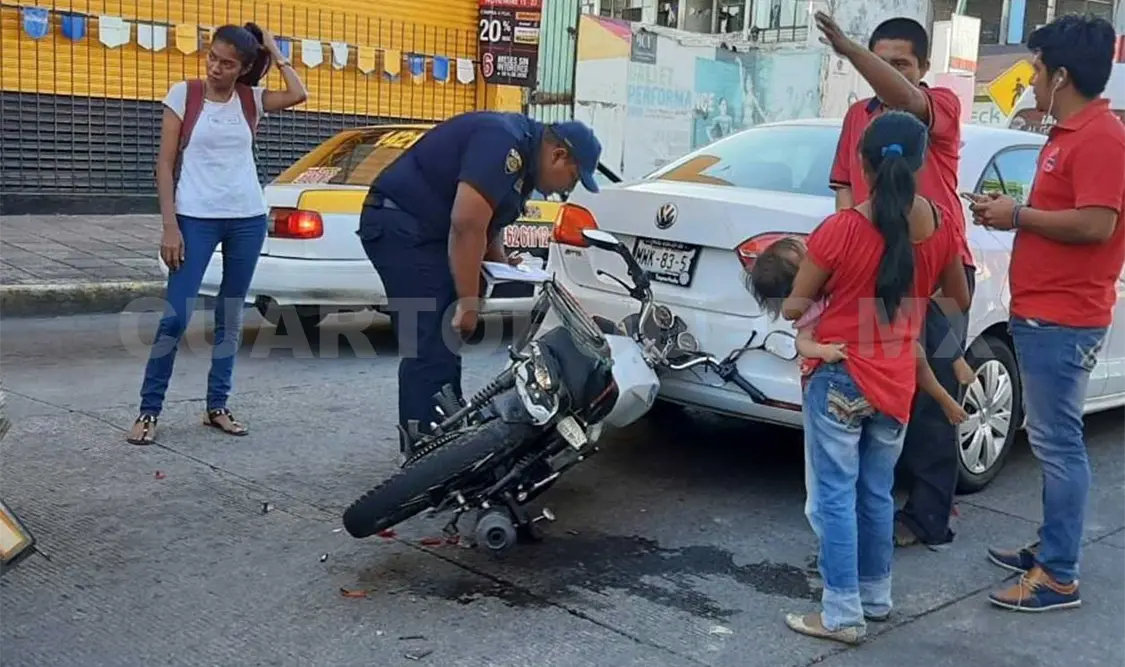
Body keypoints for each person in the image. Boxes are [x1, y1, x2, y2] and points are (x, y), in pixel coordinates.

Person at [778, 111, 970, 644]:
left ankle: (840, 614)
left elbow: (795, 308)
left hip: (839, 372)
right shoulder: (940, 225)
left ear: (862, 164)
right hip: (895, 379)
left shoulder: (840, 229)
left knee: (833, 496)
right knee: (877, 490)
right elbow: (958, 298)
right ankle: (875, 595)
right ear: (921, 163)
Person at [970, 14, 1125, 613]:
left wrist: (1019, 217)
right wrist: (1012, 212)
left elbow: (1097, 223)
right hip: (1045, 313)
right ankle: (1050, 549)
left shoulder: (1101, 138)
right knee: (1051, 440)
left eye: (1035, 67)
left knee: (1060, 445)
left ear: (1061, 75)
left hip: (1067, 318)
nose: (1029, 77)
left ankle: (1059, 574)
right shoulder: (1070, 134)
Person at [817, 12, 977, 550]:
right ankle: (872, 514)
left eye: (902, 66)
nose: (890, 75)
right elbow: (844, 188)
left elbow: (909, 100)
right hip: (878, 274)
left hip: (940, 272)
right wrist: (848, 255)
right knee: (874, 387)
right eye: (881, 63)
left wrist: (849, 50)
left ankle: (930, 516)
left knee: (934, 395)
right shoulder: (857, 117)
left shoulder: (940, 108)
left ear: (924, 68)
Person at [357, 112, 602, 455]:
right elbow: (467, 224)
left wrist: (501, 264)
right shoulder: (503, 142)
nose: (566, 189)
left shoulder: (525, 161)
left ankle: (443, 435)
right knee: (431, 333)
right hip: (401, 223)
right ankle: (425, 449)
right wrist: (468, 303)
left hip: (424, 231)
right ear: (558, 155)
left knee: (444, 334)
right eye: (572, 178)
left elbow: (489, 223)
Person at [126, 23, 308, 445]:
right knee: (175, 317)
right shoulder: (184, 95)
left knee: (230, 316)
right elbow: (164, 165)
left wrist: (275, 54)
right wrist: (170, 225)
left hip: (246, 218)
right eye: (212, 57)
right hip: (194, 219)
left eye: (227, 63)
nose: (215, 68)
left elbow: (299, 94)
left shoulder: (251, 99)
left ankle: (217, 406)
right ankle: (148, 411)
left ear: (244, 66)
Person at [748, 237, 969, 425]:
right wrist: (822, 351)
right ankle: (945, 390)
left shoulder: (832, 283)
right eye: (808, 259)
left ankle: (945, 391)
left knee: (914, 347)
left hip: (871, 348)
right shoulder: (808, 311)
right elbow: (801, 342)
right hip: (842, 368)